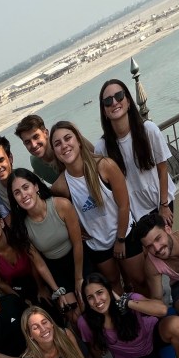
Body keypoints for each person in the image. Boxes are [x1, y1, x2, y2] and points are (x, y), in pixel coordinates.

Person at [49, 121, 145, 296]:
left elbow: (124, 205)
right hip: (97, 244)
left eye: (67, 138)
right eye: (57, 143)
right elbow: (65, 214)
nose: (64, 146)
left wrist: (120, 239)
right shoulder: (60, 186)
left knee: (139, 280)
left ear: (78, 140)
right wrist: (79, 228)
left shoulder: (104, 166)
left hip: (124, 234)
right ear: (55, 152)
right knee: (113, 286)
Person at [95, 79, 177, 225]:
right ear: (104, 111)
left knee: (165, 246)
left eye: (119, 96)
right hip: (133, 216)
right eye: (107, 101)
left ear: (128, 102)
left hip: (160, 203)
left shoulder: (149, 130)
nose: (114, 102)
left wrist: (164, 206)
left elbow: (162, 169)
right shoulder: (102, 147)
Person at [8, 168, 84, 316]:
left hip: (78, 260)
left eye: (26, 187)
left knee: (87, 302)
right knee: (74, 314)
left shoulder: (61, 205)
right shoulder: (22, 227)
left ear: (35, 186)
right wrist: (57, 291)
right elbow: (40, 264)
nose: (23, 195)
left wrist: (78, 278)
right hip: (54, 269)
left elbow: (77, 243)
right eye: (17, 193)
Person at [0, 206, 60, 308]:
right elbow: (1, 284)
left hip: (40, 278)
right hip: (17, 290)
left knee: (50, 304)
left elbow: (37, 263)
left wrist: (41, 288)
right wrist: (21, 301)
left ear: (1, 223)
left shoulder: (19, 237)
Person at [14, 113, 60, 185]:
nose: (33, 145)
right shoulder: (36, 163)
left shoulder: (63, 149)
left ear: (46, 133)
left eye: (36, 137)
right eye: (27, 142)